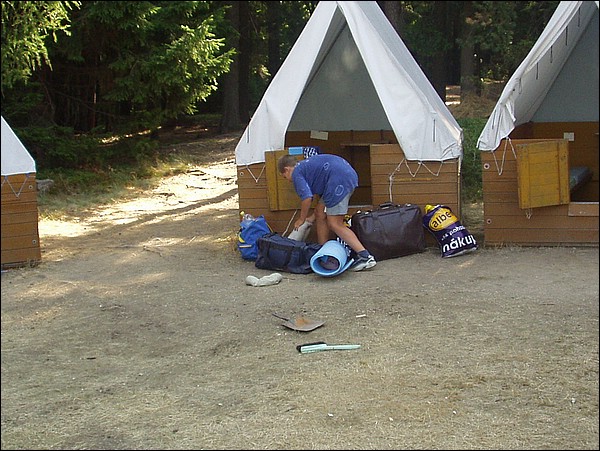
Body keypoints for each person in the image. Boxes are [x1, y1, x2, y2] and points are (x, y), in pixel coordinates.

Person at [277, 153, 376, 271]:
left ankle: (365, 256)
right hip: (343, 176)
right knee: (319, 212)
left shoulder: (297, 173)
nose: (288, 180)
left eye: (284, 177)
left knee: (335, 224)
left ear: (287, 169)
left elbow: (307, 198)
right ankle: (322, 252)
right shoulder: (304, 167)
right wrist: (310, 219)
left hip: (338, 182)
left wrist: (301, 219)